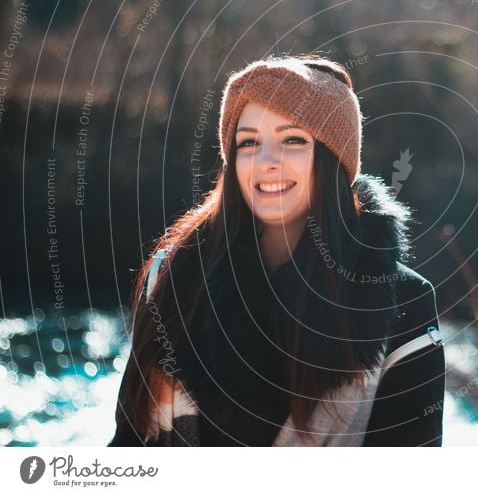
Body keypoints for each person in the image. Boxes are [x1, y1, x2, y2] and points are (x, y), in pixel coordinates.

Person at [108, 54, 445, 446]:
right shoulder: (174, 277)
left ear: (334, 159)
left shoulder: (403, 302)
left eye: (293, 140)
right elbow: (127, 448)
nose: (267, 162)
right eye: (248, 142)